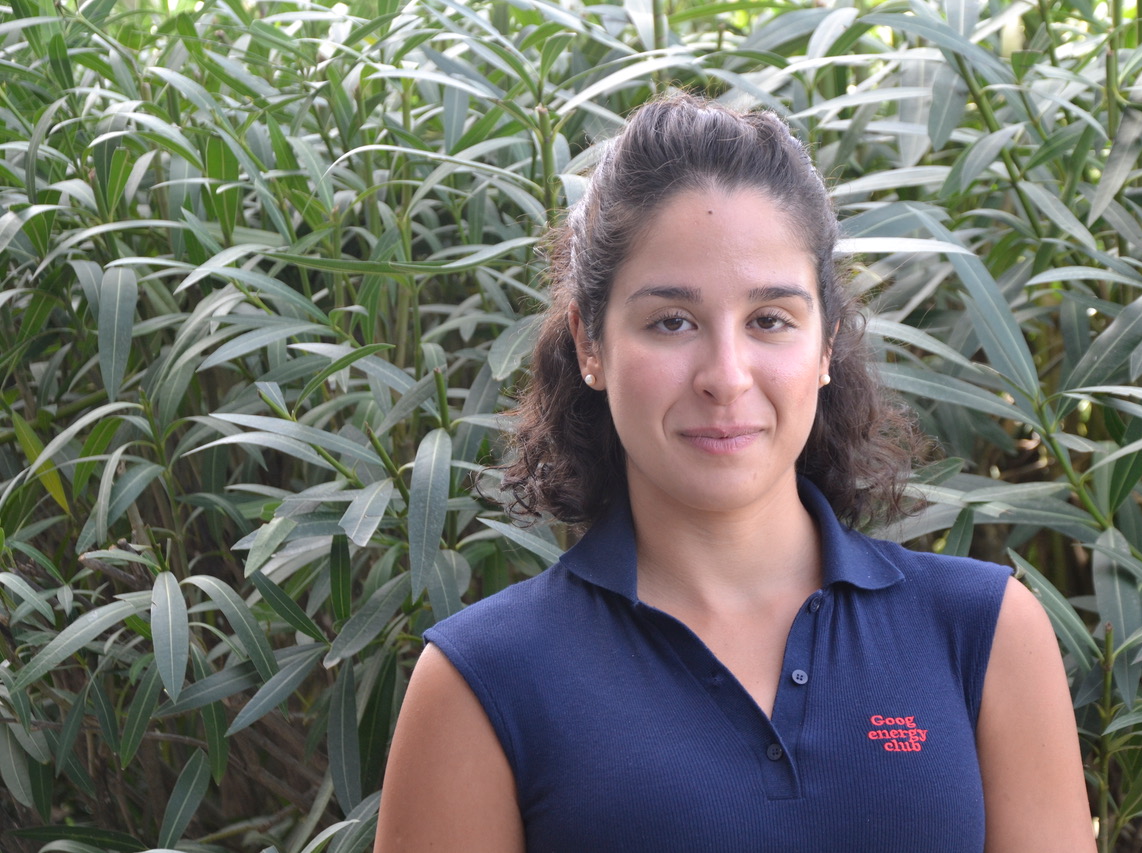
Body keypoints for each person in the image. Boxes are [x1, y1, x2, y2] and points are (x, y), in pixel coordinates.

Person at [375, 94, 1093, 852]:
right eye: (671, 321)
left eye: (769, 320)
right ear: (590, 344)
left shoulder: (985, 633)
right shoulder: (481, 682)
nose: (726, 376)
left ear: (826, 343)